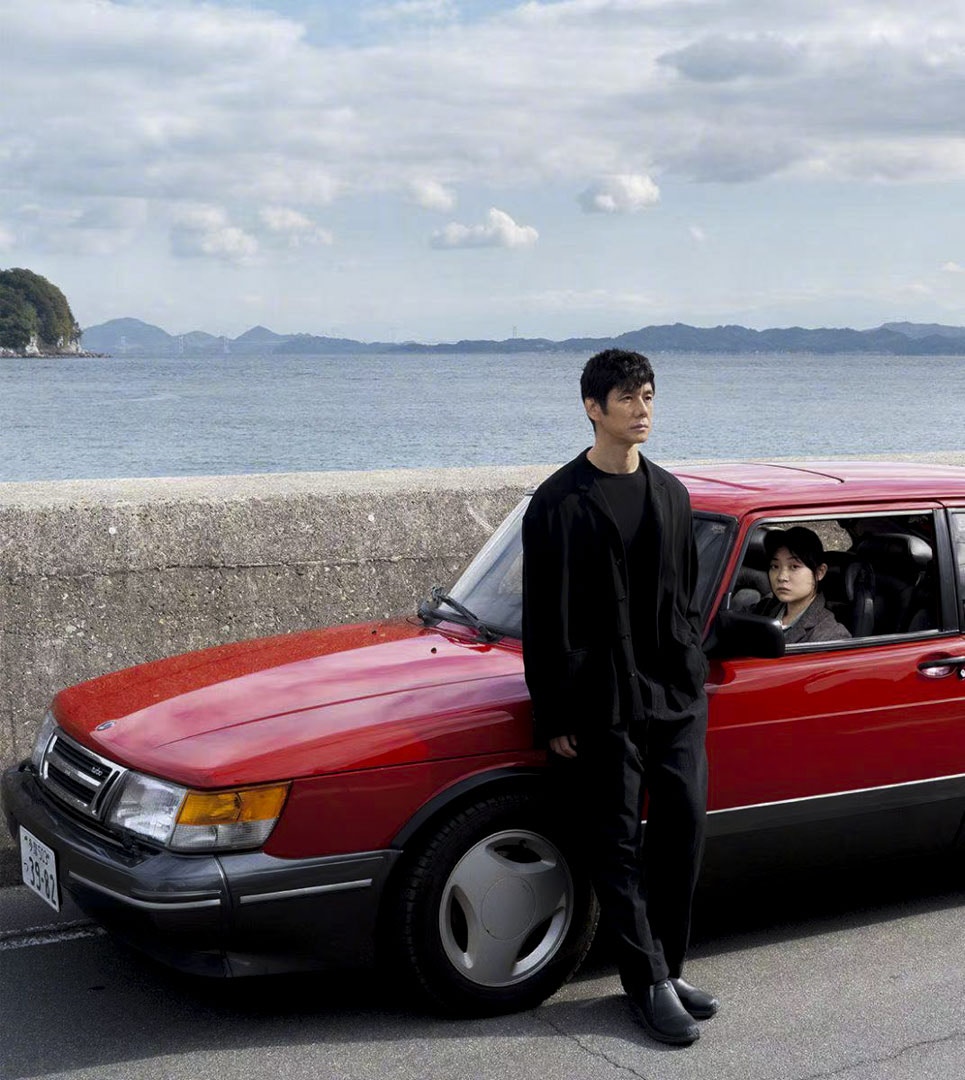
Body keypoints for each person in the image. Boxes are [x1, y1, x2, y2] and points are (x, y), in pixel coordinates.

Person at [521, 348, 716, 1046]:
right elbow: (543, 618)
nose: (642, 411)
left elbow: (684, 595)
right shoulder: (557, 502)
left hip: (673, 695)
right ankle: (646, 982)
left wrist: (690, 668)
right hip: (601, 700)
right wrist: (553, 712)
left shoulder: (671, 493)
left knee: (683, 828)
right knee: (617, 843)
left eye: (649, 397)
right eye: (628, 398)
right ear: (592, 408)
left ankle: (669, 967)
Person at [753, 526, 851, 643]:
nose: (781, 577)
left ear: (819, 572)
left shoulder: (830, 636)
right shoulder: (764, 608)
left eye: (794, 567)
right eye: (775, 566)